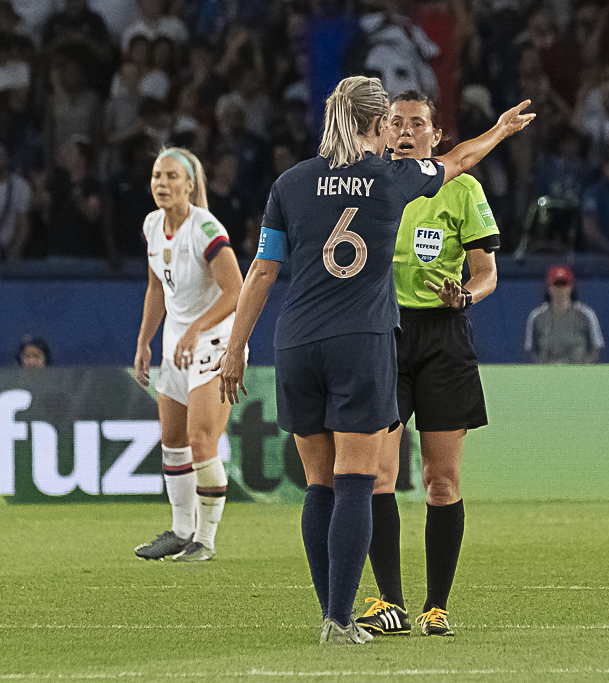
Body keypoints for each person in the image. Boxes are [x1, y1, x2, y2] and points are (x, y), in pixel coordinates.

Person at [215, 76, 533, 646]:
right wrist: (499, 131)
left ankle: (331, 613)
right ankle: (341, 618)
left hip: (295, 342)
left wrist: (235, 347)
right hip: (360, 342)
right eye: (392, 121)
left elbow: (261, 270)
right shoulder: (392, 179)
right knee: (358, 481)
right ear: (378, 125)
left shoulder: (290, 182)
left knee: (318, 485)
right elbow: (459, 159)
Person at [353, 91, 500, 639]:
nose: (406, 131)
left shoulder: (462, 189)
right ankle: (390, 602)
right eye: (396, 122)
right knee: (379, 476)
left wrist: (466, 296)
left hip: (443, 337)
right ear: (383, 132)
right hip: (385, 335)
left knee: (442, 479)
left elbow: (487, 272)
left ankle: (436, 606)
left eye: (418, 123)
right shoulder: (369, 184)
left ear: (436, 137)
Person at [133, 146, 244, 564]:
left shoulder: (206, 229)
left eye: (171, 176)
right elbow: (155, 287)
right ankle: (181, 532)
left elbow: (236, 291)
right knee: (173, 441)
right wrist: (144, 342)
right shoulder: (152, 225)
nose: (161, 183)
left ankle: (205, 540)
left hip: (214, 342)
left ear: (190, 185)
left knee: (201, 440)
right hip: (176, 342)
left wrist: (196, 328)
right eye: (157, 175)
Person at [525, 265, 604, 364]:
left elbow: (596, 349)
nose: (560, 289)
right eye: (556, 284)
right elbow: (531, 351)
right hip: (547, 372)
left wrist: (584, 369)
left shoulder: (586, 314)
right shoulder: (536, 316)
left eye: (564, 284)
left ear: (571, 287)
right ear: (549, 288)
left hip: (578, 371)